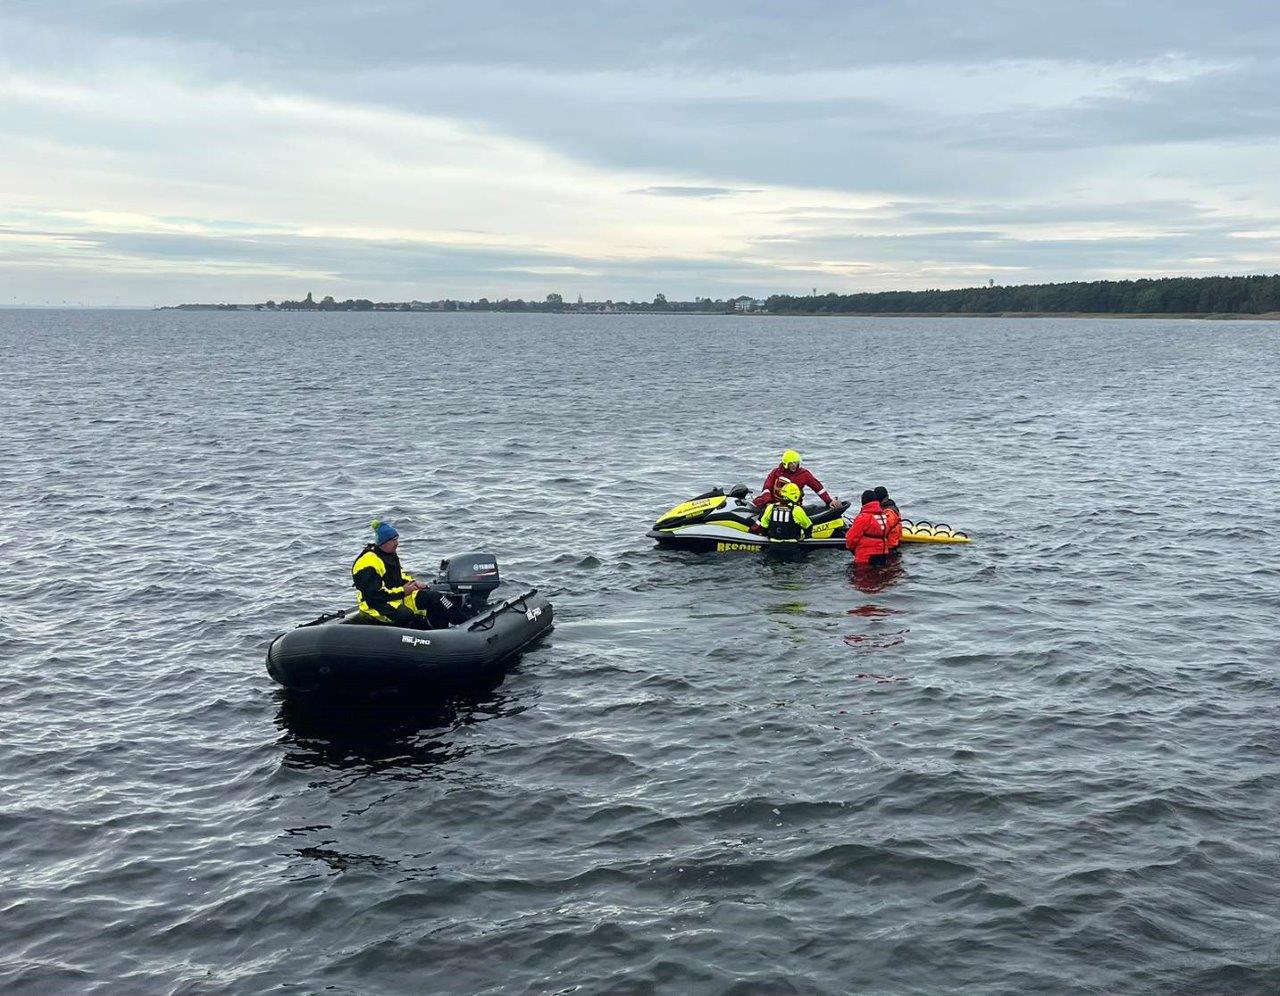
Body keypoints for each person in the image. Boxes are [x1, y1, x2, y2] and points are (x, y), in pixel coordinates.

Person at [352, 520, 455, 629]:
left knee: (434, 597)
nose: (397, 543)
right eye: (393, 540)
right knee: (406, 615)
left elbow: (399, 576)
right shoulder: (368, 563)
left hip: (395, 597)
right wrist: (403, 591)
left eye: (397, 539)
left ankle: (456, 625)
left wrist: (413, 583)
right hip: (375, 604)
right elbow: (374, 595)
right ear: (383, 542)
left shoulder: (389, 553)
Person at [752, 449, 839, 510]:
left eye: (796, 463)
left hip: (793, 506)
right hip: (773, 504)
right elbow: (766, 489)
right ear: (785, 463)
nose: (794, 465)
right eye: (792, 463)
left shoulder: (804, 474)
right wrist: (768, 502)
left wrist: (829, 501)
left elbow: (818, 488)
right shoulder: (775, 472)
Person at [844, 489, 890, 566]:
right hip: (883, 554)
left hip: (866, 557)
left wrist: (851, 549)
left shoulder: (863, 517)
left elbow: (851, 538)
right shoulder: (884, 516)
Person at [874, 486, 903, 555]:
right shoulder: (887, 508)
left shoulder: (889, 512)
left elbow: (884, 529)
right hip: (888, 546)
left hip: (890, 548)